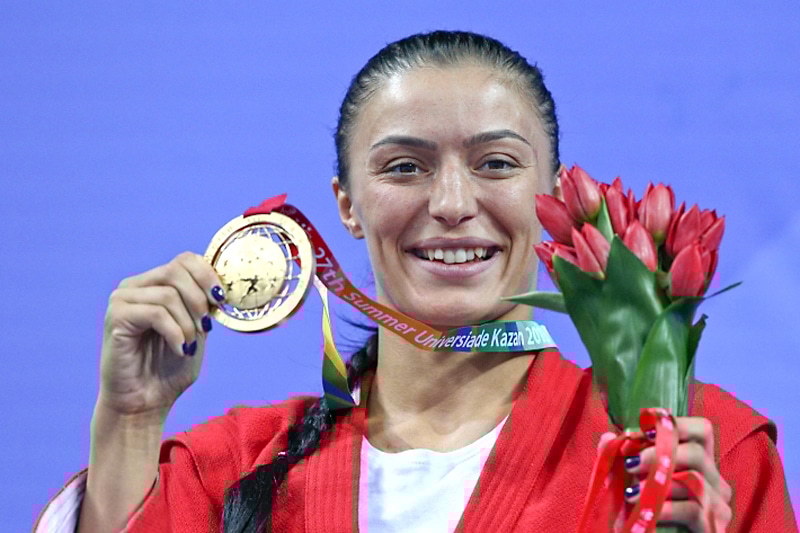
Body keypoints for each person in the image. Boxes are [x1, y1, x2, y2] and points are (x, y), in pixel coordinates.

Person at [36, 31, 796, 533]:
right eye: (404, 167)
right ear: (347, 206)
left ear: (553, 195)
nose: (453, 203)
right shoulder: (232, 469)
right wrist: (130, 421)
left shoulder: (688, 446)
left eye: (496, 163)